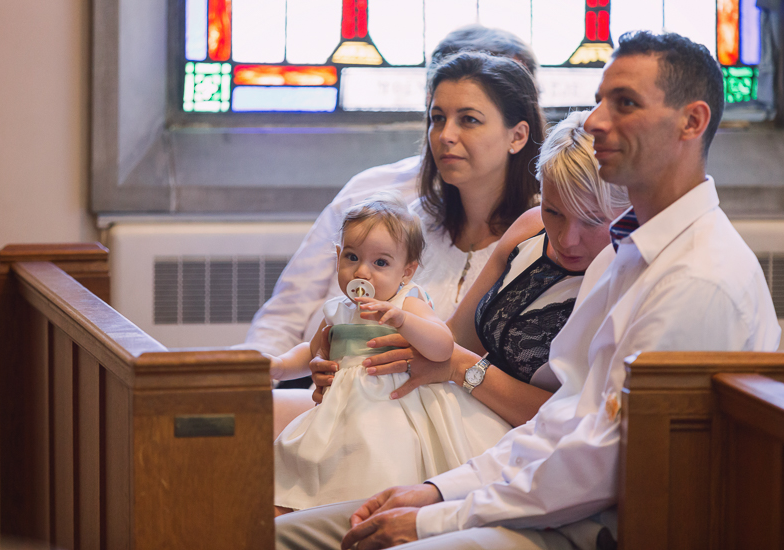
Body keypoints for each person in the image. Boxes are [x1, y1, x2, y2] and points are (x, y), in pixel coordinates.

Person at [275, 31, 782, 550]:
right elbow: (561, 420)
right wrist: (435, 491)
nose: (595, 121)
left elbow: (598, 465)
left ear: (691, 122)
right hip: (527, 489)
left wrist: (437, 518)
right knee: (279, 535)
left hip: (604, 526)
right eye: (600, 100)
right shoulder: (627, 252)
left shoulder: (697, 277)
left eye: (624, 104)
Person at [234, 26, 540, 436]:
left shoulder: (544, 232)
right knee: (225, 420)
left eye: (469, 118)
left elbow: (457, 350)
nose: (446, 136)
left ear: (518, 132)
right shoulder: (401, 217)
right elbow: (292, 309)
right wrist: (300, 365)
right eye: (437, 118)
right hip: (350, 400)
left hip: (454, 417)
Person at [312, 110, 631, 430]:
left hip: (529, 435)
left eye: (591, 220)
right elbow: (455, 336)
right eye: (553, 211)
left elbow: (585, 418)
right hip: (459, 405)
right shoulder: (530, 228)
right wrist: (351, 357)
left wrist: (461, 367)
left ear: (629, 206)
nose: (566, 238)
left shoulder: (629, 276)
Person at [273, 194, 511, 515]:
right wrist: (279, 366)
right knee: (323, 468)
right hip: (343, 412)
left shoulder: (406, 303)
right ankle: (322, 515)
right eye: (352, 257)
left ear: (406, 272)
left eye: (380, 263)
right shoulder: (337, 311)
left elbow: (443, 346)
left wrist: (403, 321)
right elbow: (314, 350)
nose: (362, 272)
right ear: (338, 257)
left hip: (393, 409)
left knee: (379, 462)